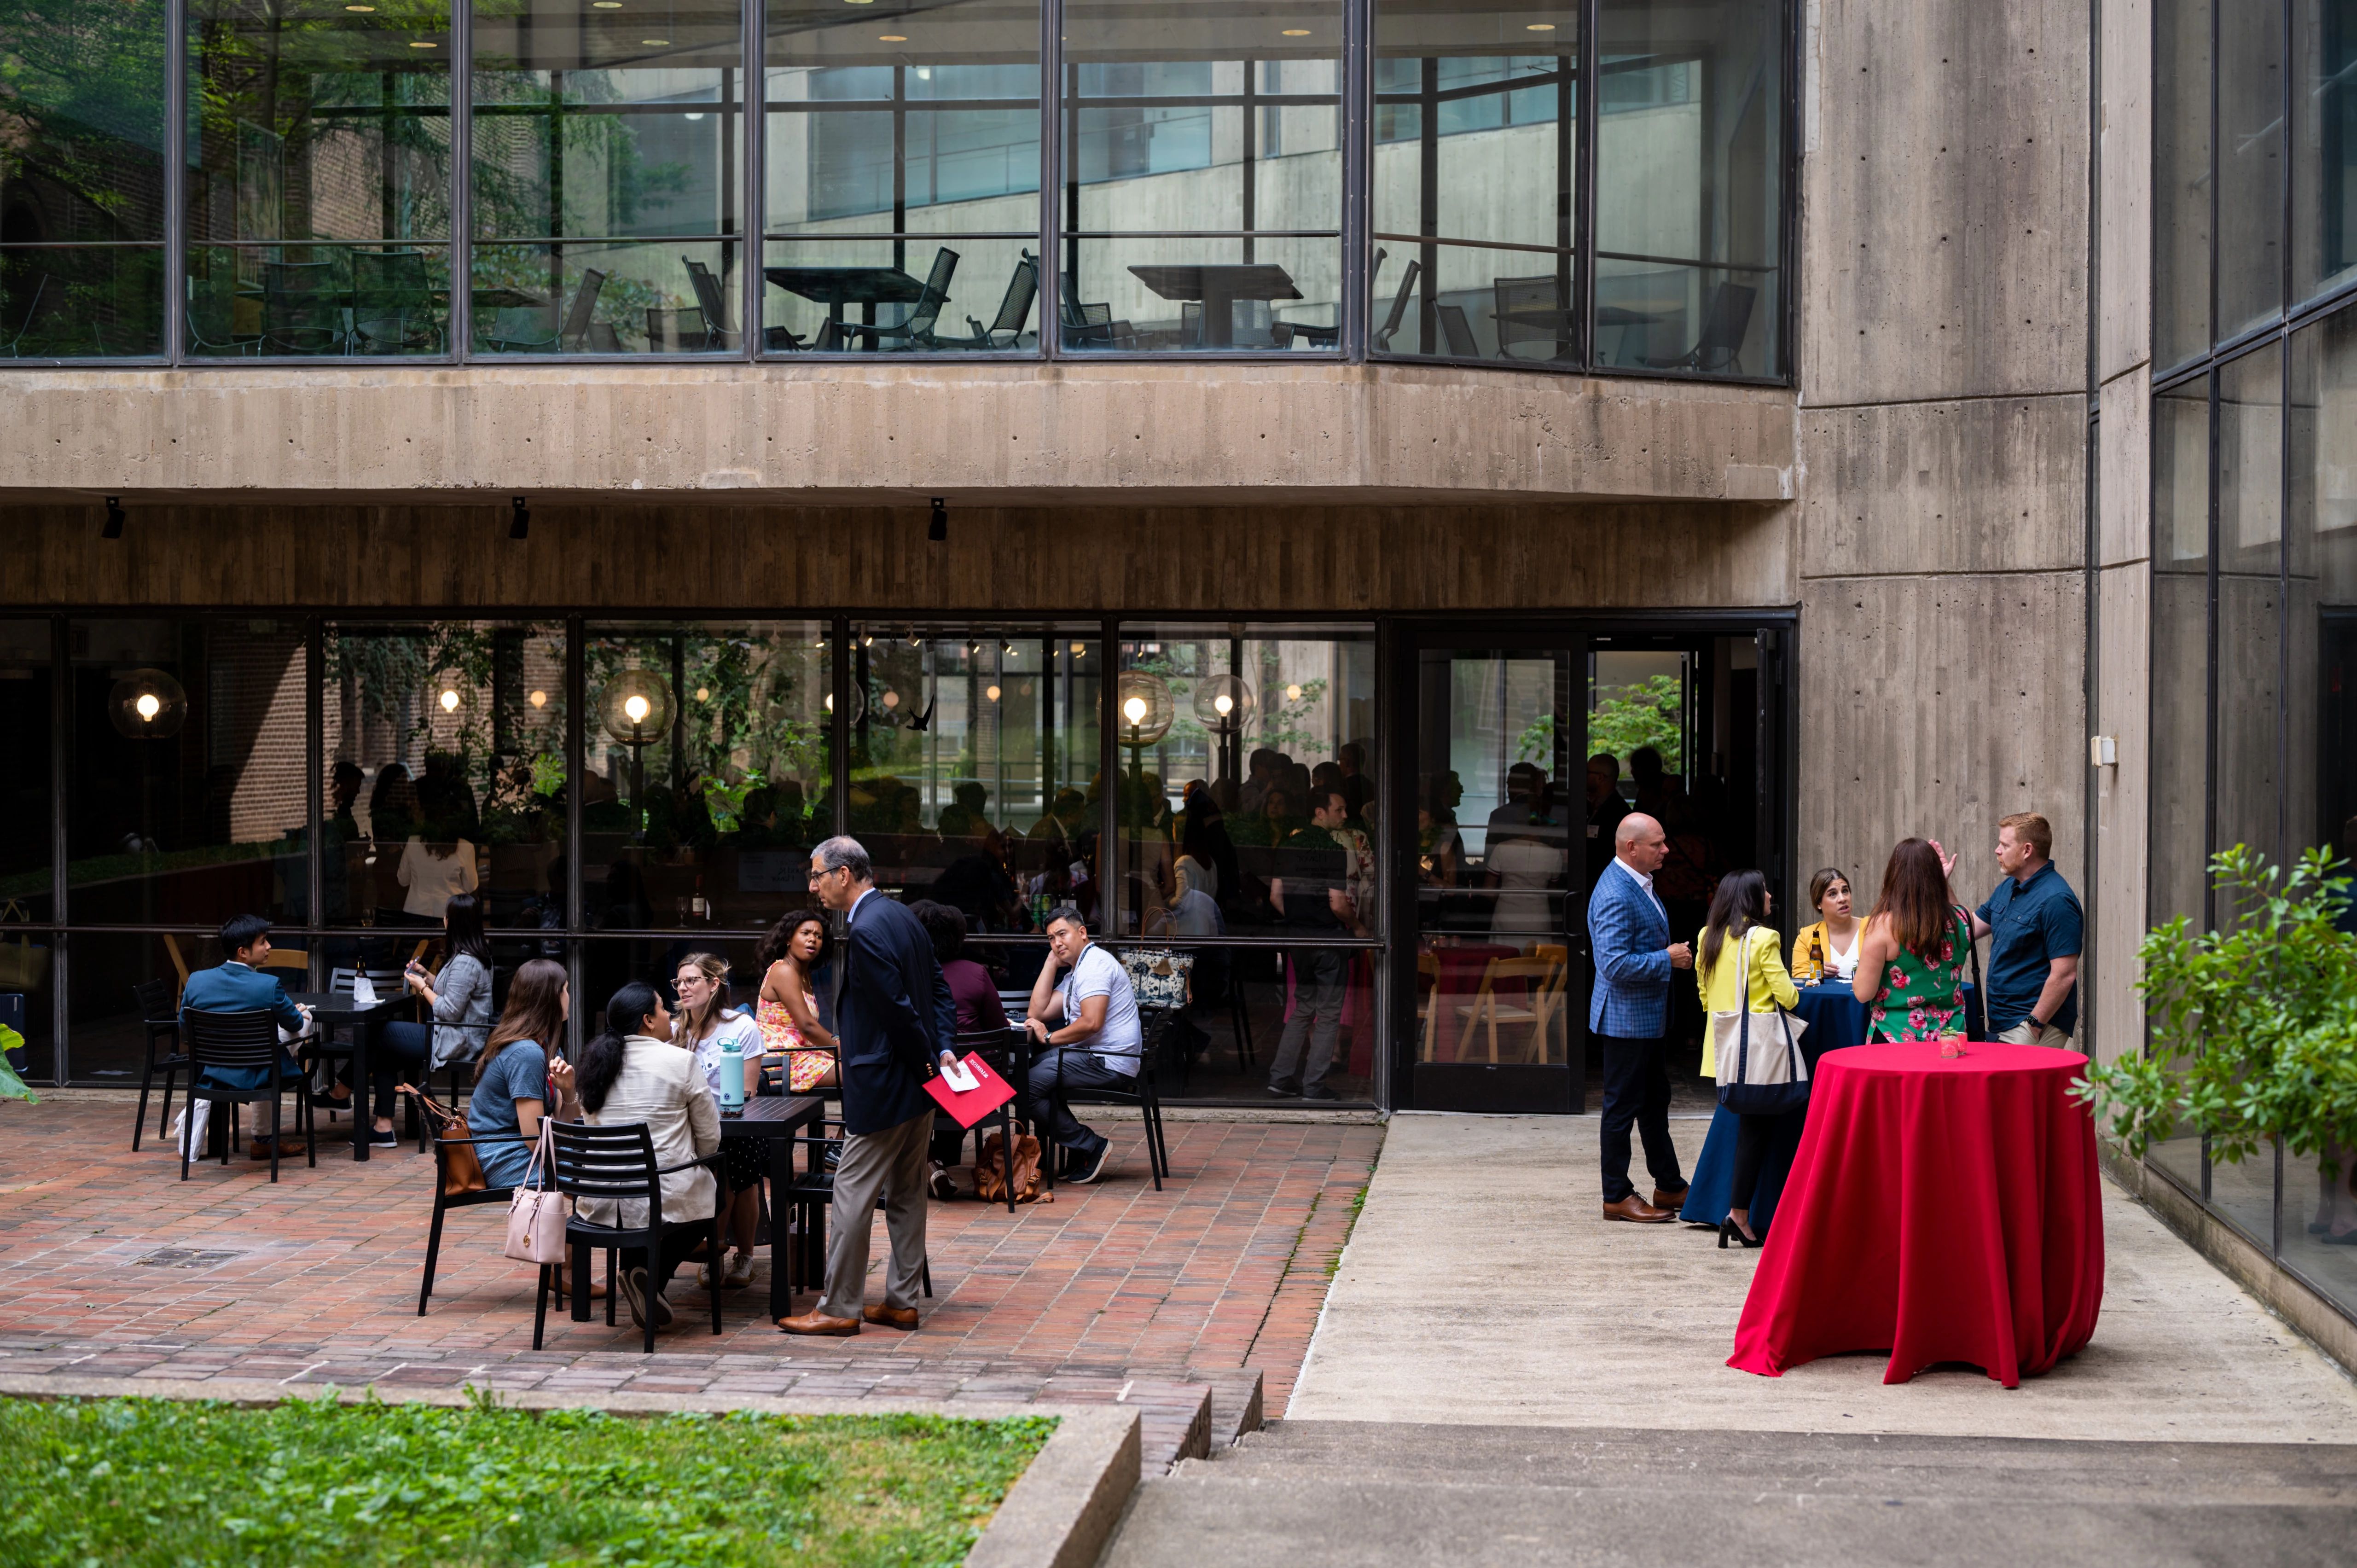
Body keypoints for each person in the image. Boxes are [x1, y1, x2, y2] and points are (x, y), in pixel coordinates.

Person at [778, 836, 958, 1337]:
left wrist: (928, 1060)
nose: (812, 886)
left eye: (817, 875)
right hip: (918, 1084)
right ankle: (900, 1302)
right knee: (906, 1194)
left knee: (851, 1192)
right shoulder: (902, 917)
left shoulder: (869, 928)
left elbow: (896, 1010)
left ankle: (839, 1306)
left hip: (885, 1082)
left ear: (844, 874)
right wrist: (941, 1052)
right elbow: (938, 992)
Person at [569, 981, 720, 1333]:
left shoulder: (594, 1063)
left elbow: (592, 1128)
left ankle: (640, 1278)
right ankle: (651, 1279)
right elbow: (710, 1137)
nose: (671, 1016)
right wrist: (697, 1161)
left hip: (600, 1197)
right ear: (648, 1021)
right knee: (714, 1192)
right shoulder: (681, 1061)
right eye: (664, 1010)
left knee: (639, 1204)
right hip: (659, 1192)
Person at [1588, 813, 1692, 1222]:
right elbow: (1613, 965)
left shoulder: (1638, 882)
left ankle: (1668, 1185)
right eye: (1658, 844)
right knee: (1622, 1107)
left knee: (1653, 1103)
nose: (1666, 850)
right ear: (1632, 848)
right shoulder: (1616, 892)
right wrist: (1666, 959)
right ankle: (1616, 1195)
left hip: (1645, 1018)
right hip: (1626, 1020)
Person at [1694, 870, 1800, 1247]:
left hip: (1723, 1051)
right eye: (1765, 890)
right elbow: (1788, 997)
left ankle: (1737, 1213)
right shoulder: (1765, 939)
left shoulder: (1708, 936)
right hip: (1756, 1052)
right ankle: (1739, 1215)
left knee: (1748, 1131)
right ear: (1752, 898)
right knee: (1756, 1132)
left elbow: (1705, 996)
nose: (1771, 895)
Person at [1022, 906, 1144, 1182]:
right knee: (1031, 1070)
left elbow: (1091, 1023)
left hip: (1109, 1062)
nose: (1057, 943)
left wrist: (1049, 1038)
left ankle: (1091, 1145)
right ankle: (1077, 1147)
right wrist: (1051, 963)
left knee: (1026, 1085)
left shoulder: (1095, 966)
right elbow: (1037, 1013)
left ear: (1082, 933)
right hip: (1094, 1056)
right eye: (1052, 939)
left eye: (1062, 934)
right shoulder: (1078, 970)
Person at [178, 913, 315, 1160]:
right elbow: (294, 1023)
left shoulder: (196, 981)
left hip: (214, 1069)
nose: (269, 947)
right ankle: (263, 1138)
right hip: (260, 1068)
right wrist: (300, 1013)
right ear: (243, 952)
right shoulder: (269, 985)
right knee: (305, 1020)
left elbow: (186, 1031)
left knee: (271, 1041)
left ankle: (264, 1138)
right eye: (263, 942)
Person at [673, 952, 766, 1291]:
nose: (683, 988)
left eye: (691, 980)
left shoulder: (741, 1026)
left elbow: (748, 1090)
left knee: (731, 1166)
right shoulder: (674, 1030)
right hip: (687, 1127)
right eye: (679, 982)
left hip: (735, 1124)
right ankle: (713, 1252)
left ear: (714, 984)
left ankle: (742, 1255)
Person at [1950, 812, 2083, 1046]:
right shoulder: (2009, 888)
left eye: (2004, 845)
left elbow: (2065, 974)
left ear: (2027, 850)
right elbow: (1966, 929)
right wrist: (1943, 884)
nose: (1997, 850)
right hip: (2004, 1022)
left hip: (2030, 1026)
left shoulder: (2057, 900)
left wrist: (2034, 1024)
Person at [374, 893, 494, 1148]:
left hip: (456, 1041)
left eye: (446, 915)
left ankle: (360, 1103)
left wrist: (421, 987)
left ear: (453, 922)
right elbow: (452, 993)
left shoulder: (466, 962)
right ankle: (384, 1126)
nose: (443, 919)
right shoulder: (471, 956)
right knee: (385, 1048)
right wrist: (426, 975)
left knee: (381, 1034)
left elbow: (449, 1010)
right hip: (453, 1035)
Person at [1266, 784, 1352, 1101]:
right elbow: (1338, 903)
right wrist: (1357, 926)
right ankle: (1314, 1086)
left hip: (1298, 940)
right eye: (1339, 809)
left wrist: (1300, 919)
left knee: (1302, 1009)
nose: (1345, 815)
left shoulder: (1289, 847)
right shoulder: (1334, 850)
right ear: (1320, 813)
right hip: (1328, 941)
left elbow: (1275, 897)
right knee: (1328, 1014)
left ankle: (1280, 1080)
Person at [467, 957, 573, 1193]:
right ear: (551, 998)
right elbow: (534, 1139)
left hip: (518, 1150)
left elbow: (565, 1126)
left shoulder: (546, 1047)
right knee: (596, 1170)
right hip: (501, 1156)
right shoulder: (527, 1053)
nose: (569, 997)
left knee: (598, 1164)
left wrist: (568, 1090)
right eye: (565, 990)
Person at [1852, 838, 1974, 1041]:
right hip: (1951, 1036)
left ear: (1893, 877)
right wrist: (1944, 883)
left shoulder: (1883, 926)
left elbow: (1863, 993)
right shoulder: (1963, 918)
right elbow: (1956, 914)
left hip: (1896, 1036)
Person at [755, 908, 841, 1093]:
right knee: (859, 1073)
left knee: (867, 1070)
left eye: (819, 936)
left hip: (803, 1056)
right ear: (789, 939)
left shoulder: (804, 976)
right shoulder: (784, 971)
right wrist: (843, 1050)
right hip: (782, 1062)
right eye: (805, 933)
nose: (813, 939)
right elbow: (808, 1026)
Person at [1788, 867, 1860, 983]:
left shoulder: (1871, 928)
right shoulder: (1807, 936)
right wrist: (1816, 973)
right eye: (1833, 894)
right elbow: (1798, 979)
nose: (1843, 899)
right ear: (1819, 904)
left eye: (1845, 891)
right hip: (1827, 1001)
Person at [397, 828, 477, 922]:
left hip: (416, 909)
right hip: (450, 912)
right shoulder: (466, 847)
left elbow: (403, 880)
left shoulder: (413, 842)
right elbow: (471, 886)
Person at [1585, 753, 1629, 888]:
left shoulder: (1620, 814)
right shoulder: (1588, 806)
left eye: (1587, 772)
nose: (1583, 776)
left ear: (1600, 778)